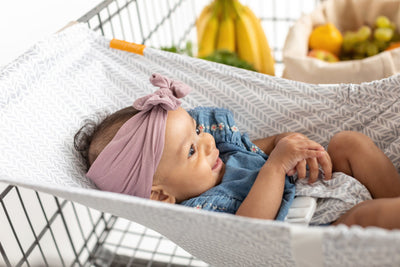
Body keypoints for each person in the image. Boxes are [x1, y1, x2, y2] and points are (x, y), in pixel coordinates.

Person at [74, 73, 400, 229]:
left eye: (198, 130)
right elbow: (251, 228)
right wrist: (274, 166)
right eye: (191, 151)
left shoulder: (224, 156)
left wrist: (290, 144)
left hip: (327, 181)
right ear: (161, 196)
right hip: (325, 223)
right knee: (366, 218)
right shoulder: (204, 212)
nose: (206, 142)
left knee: (349, 142)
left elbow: (265, 146)